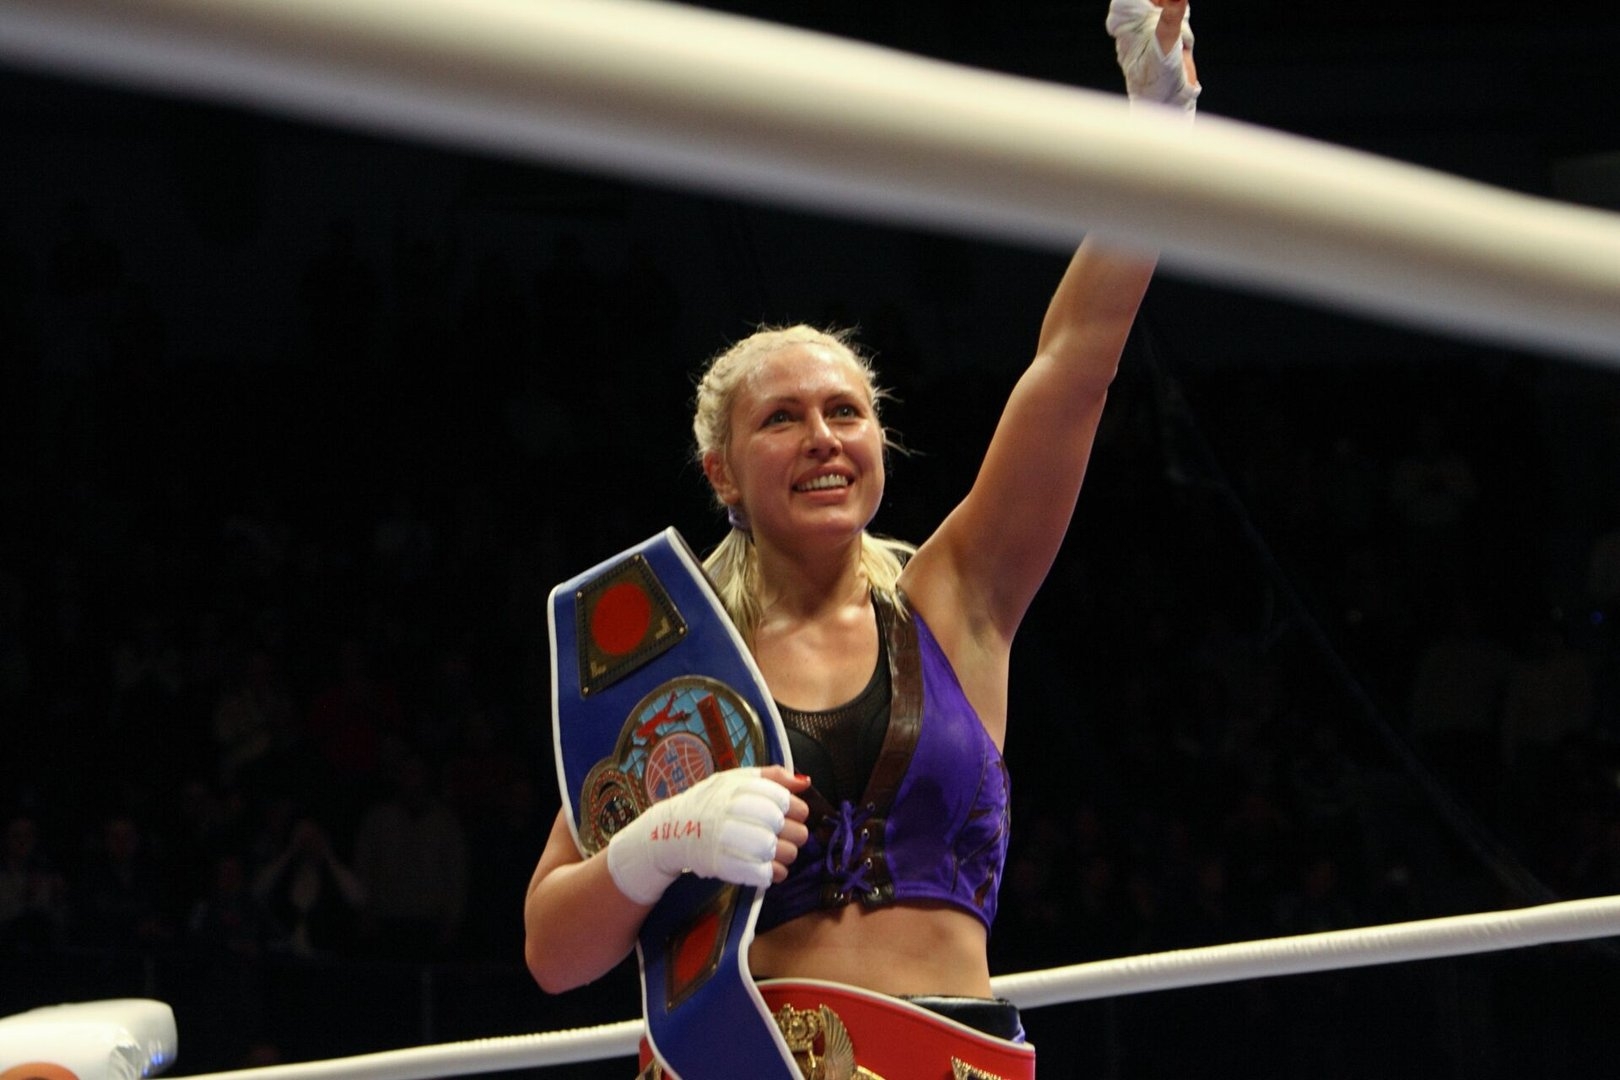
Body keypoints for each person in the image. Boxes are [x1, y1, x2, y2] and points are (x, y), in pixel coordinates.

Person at [524, 3, 1200, 1074]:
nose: (822, 439)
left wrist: (1157, 141)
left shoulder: (958, 598)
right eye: (781, 419)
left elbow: (1075, 362)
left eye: (846, 412)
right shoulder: (673, 667)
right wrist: (661, 841)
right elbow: (553, 951)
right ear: (721, 471)